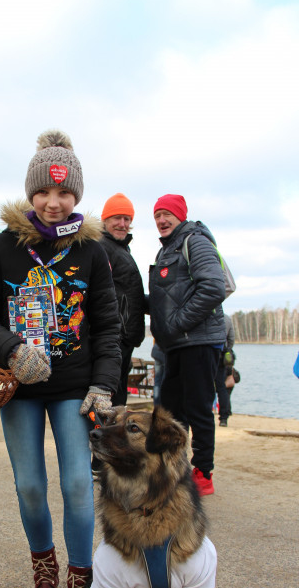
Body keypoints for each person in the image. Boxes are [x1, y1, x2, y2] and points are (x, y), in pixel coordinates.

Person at [0, 129, 121, 588]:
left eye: (64, 192)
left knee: (78, 483)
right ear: (30, 192)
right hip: (21, 387)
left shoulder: (93, 252)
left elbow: (109, 326)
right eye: (44, 192)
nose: (53, 203)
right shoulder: (2, 247)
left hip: (76, 388)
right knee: (30, 485)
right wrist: (12, 351)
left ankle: (82, 576)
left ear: (77, 194)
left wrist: (104, 385)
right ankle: (44, 568)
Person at [148, 194, 226, 496]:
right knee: (169, 410)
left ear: (180, 216)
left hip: (199, 340)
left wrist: (177, 323)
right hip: (177, 345)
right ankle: (172, 468)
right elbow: (166, 300)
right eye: (157, 216)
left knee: (198, 408)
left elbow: (213, 287)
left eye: (167, 214)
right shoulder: (167, 249)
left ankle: (203, 472)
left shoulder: (195, 241)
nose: (162, 220)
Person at [99, 193, 145, 405]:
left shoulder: (121, 249)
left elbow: (129, 294)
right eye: (116, 218)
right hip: (113, 338)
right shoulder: (102, 247)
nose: (122, 223)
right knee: (110, 401)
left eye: (127, 219)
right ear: (105, 220)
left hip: (124, 339)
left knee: (118, 402)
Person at [214, 313, 235, 426]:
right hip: (222, 355)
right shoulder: (227, 318)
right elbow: (231, 339)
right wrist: (228, 349)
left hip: (208, 353)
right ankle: (224, 417)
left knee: (205, 385)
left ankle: (205, 413)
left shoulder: (206, 314)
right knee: (221, 387)